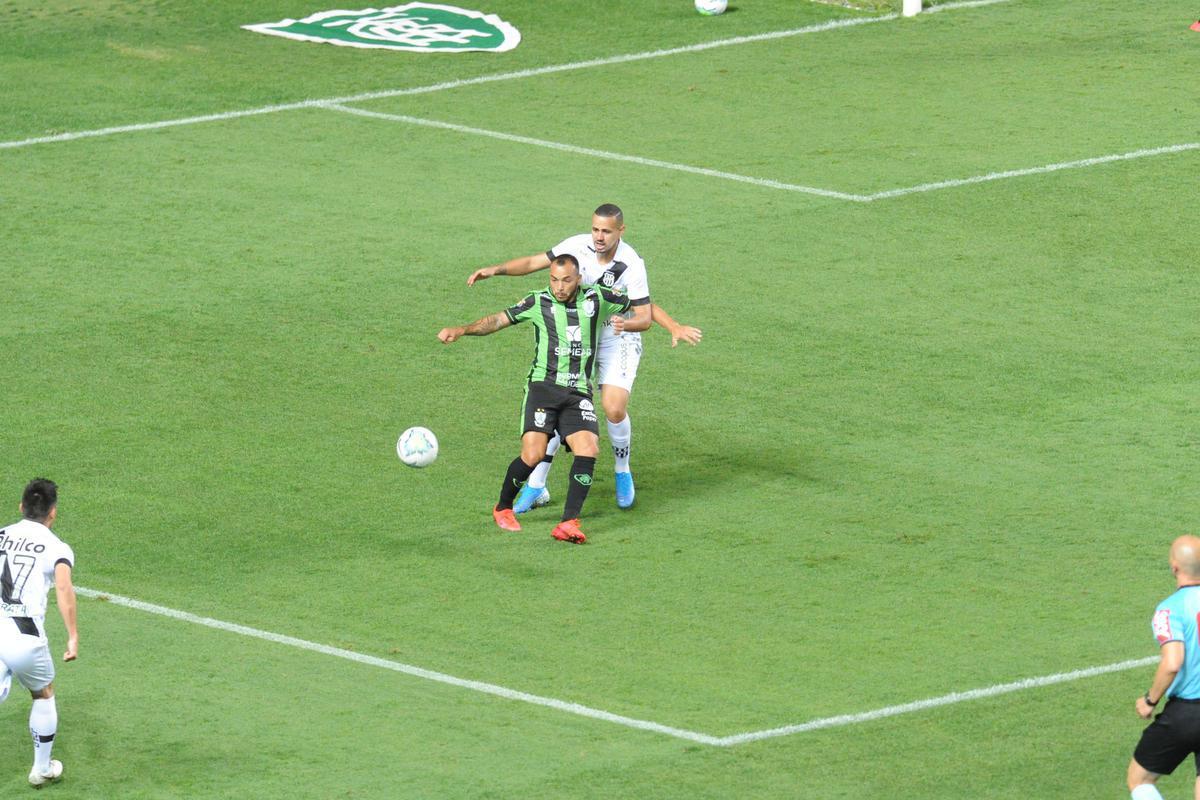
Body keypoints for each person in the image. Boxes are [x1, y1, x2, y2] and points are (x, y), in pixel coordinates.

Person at [466, 203, 701, 512]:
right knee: (557, 396)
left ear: (621, 231)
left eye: (606, 231)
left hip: (618, 335)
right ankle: (537, 486)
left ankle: (622, 471)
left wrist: (672, 326)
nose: (599, 237)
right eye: (595, 229)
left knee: (613, 408)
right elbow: (536, 261)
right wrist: (496, 270)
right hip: (580, 331)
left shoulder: (631, 263)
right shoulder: (576, 246)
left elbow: (643, 307)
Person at [440, 254, 649, 543]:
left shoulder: (598, 298)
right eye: (553, 279)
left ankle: (568, 523)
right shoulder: (538, 302)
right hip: (543, 388)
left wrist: (667, 324)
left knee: (588, 448)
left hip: (578, 392)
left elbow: (642, 305)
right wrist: (461, 330)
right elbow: (497, 320)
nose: (559, 287)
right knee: (533, 455)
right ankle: (503, 508)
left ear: (578, 278)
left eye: (565, 280)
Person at [0, 478, 78, 787]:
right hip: (25, 637)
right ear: (53, 513)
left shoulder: (1, 534)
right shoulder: (57, 548)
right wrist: (72, 636)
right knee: (43, 693)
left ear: (21, 507)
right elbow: (63, 588)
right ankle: (42, 769)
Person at [1127, 535, 1200, 800]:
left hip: (1187, 712)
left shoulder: (1170, 610)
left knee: (1140, 779)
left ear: (1174, 567)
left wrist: (1150, 700)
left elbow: (1172, 663)